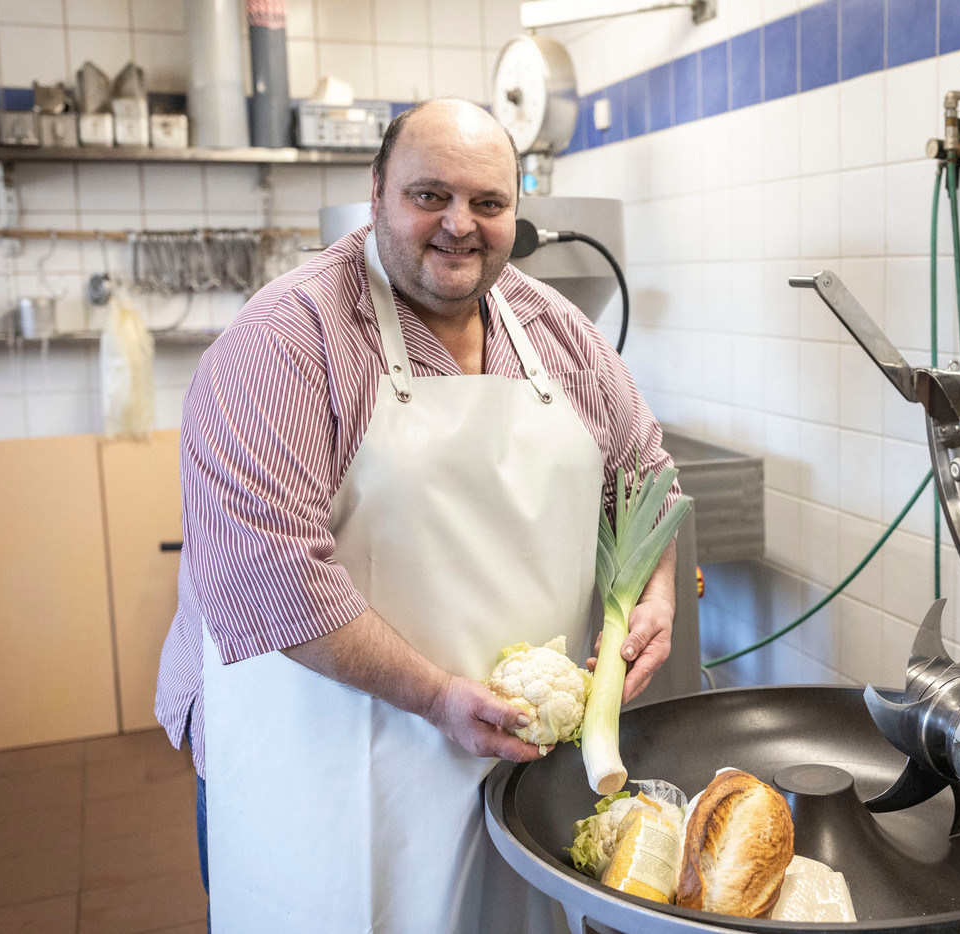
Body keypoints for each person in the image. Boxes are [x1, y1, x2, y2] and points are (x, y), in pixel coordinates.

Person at [153, 98, 680, 932]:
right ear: (376, 193)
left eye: (489, 203)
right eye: (429, 196)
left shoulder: (560, 335)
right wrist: (435, 697)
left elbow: (649, 482)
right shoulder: (287, 341)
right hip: (323, 758)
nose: (460, 226)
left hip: (506, 764)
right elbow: (270, 575)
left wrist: (656, 598)